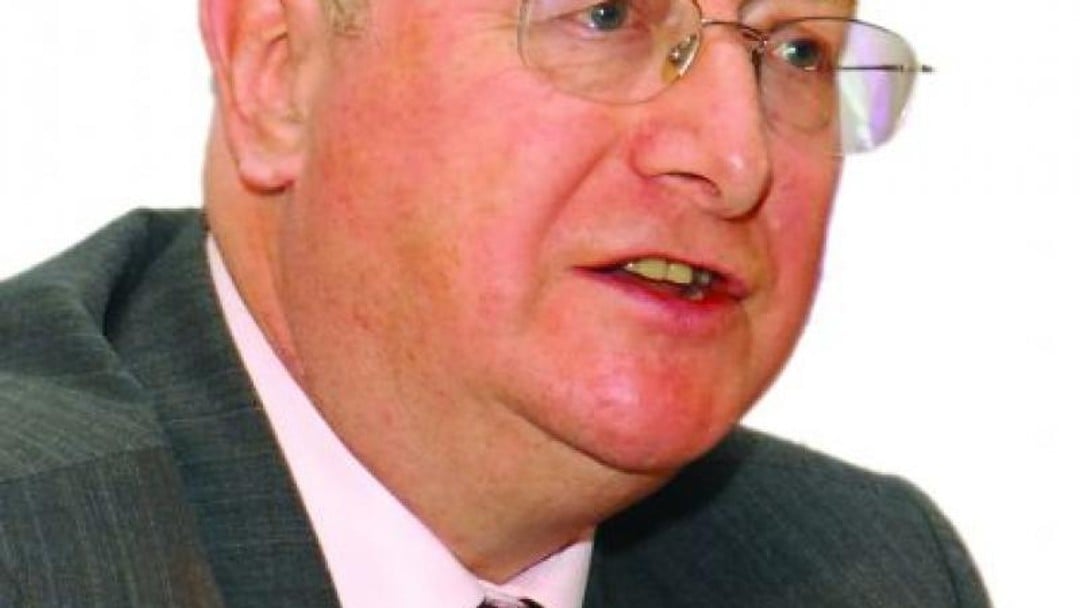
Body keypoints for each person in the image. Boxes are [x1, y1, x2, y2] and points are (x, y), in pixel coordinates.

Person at [0, 0, 990, 606]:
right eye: (606, 16)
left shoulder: (867, 573)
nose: (737, 155)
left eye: (798, 52)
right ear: (278, 71)